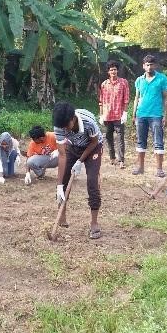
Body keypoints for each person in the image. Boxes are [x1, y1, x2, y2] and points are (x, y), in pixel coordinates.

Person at [52, 102, 104, 239]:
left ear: (73, 119)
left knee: (92, 181)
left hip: (93, 147)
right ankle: (62, 217)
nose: (65, 130)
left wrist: (80, 160)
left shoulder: (88, 122)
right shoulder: (59, 125)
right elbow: (62, 154)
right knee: (63, 180)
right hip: (72, 147)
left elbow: (94, 142)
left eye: (66, 126)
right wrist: (59, 185)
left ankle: (94, 223)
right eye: (62, 128)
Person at [132, 54, 167, 177]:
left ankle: (159, 169)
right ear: (143, 66)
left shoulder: (162, 79)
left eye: (151, 64)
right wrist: (134, 115)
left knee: (158, 142)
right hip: (141, 114)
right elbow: (137, 98)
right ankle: (140, 167)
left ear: (155, 65)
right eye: (147, 65)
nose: (149, 67)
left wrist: (165, 115)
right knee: (140, 142)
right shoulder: (139, 80)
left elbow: (165, 98)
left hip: (156, 115)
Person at [99, 60, 130, 169]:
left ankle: (121, 160)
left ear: (117, 70)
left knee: (120, 138)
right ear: (108, 72)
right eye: (111, 70)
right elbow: (101, 101)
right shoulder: (104, 84)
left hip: (119, 115)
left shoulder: (123, 82)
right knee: (108, 137)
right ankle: (112, 157)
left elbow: (126, 99)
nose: (113, 71)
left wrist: (125, 113)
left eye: (115, 69)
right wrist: (101, 115)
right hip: (107, 116)